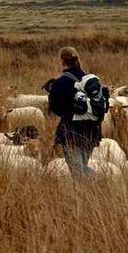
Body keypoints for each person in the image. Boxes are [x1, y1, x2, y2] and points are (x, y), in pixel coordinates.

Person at [46, 46, 102, 177]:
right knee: (81, 167)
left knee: (78, 172)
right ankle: (90, 194)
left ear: (62, 62)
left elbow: (56, 109)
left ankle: (102, 181)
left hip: (72, 131)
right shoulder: (88, 79)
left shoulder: (61, 82)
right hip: (91, 131)